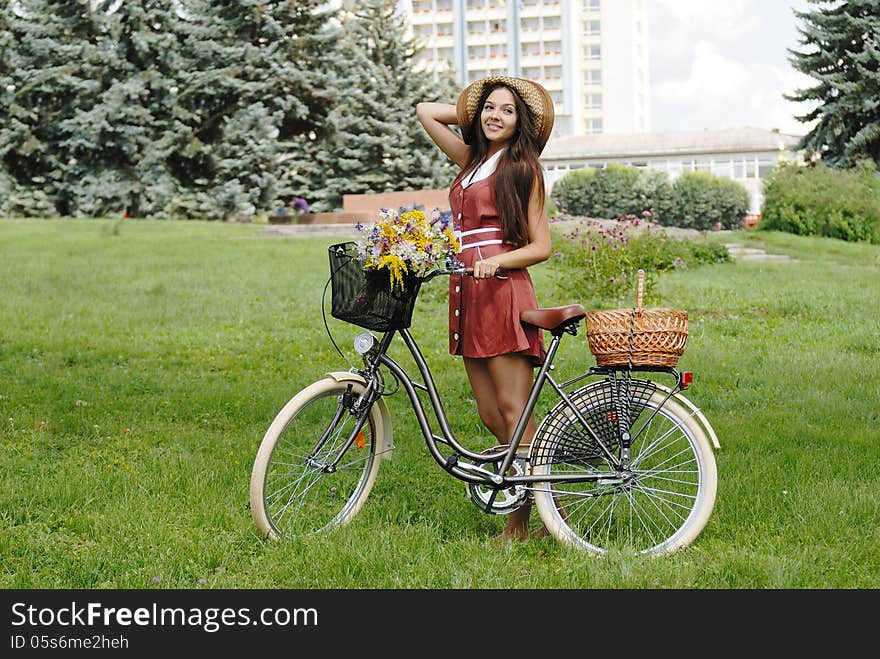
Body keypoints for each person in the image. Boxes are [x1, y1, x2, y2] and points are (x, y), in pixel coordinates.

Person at [416, 76, 554, 542]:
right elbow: (425, 111)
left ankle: (528, 520)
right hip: (468, 293)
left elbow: (541, 245)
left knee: (514, 411)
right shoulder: (473, 161)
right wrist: (472, 110)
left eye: (507, 111)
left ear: (522, 124)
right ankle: (528, 503)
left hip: (503, 290)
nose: (495, 116)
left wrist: (495, 261)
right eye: (489, 109)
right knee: (490, 414)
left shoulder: (523, 168)